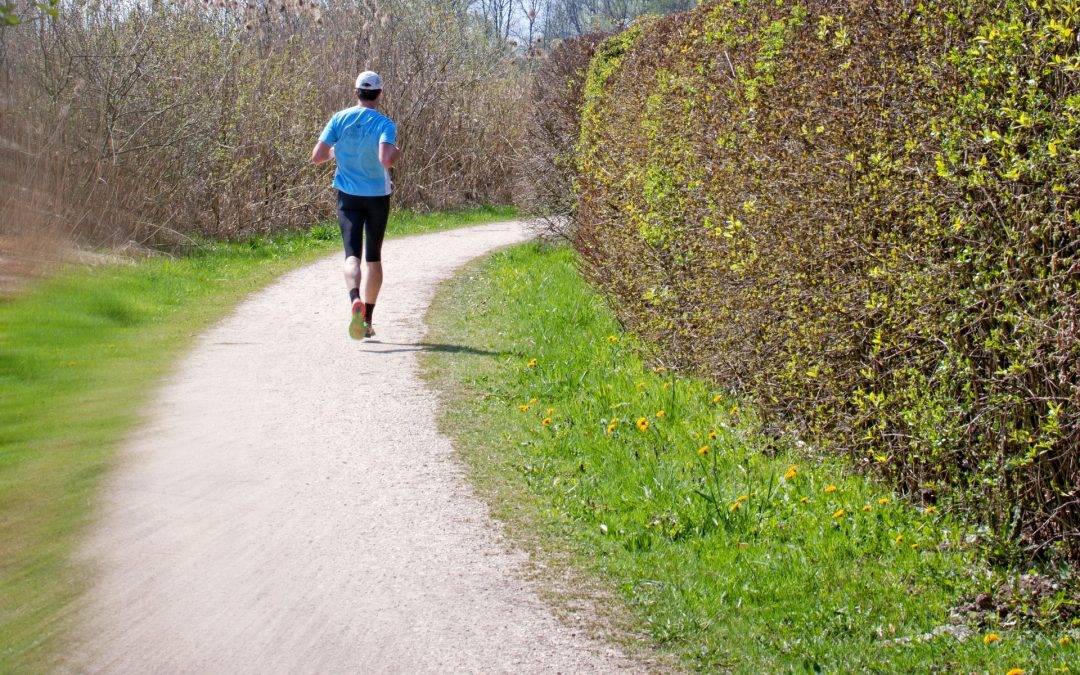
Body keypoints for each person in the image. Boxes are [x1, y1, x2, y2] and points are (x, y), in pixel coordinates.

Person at [311, 70, 400, 340]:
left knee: (352, 256)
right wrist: (396, 152)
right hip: (377, 196)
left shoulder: (339, 119)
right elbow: (386, 159)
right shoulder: (385, 123)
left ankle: (354, 300)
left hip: (348, 196)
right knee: (373, 258)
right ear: (379, 94)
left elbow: (317, 156)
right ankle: (368, 319)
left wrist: (335, 151)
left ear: (356, 92)